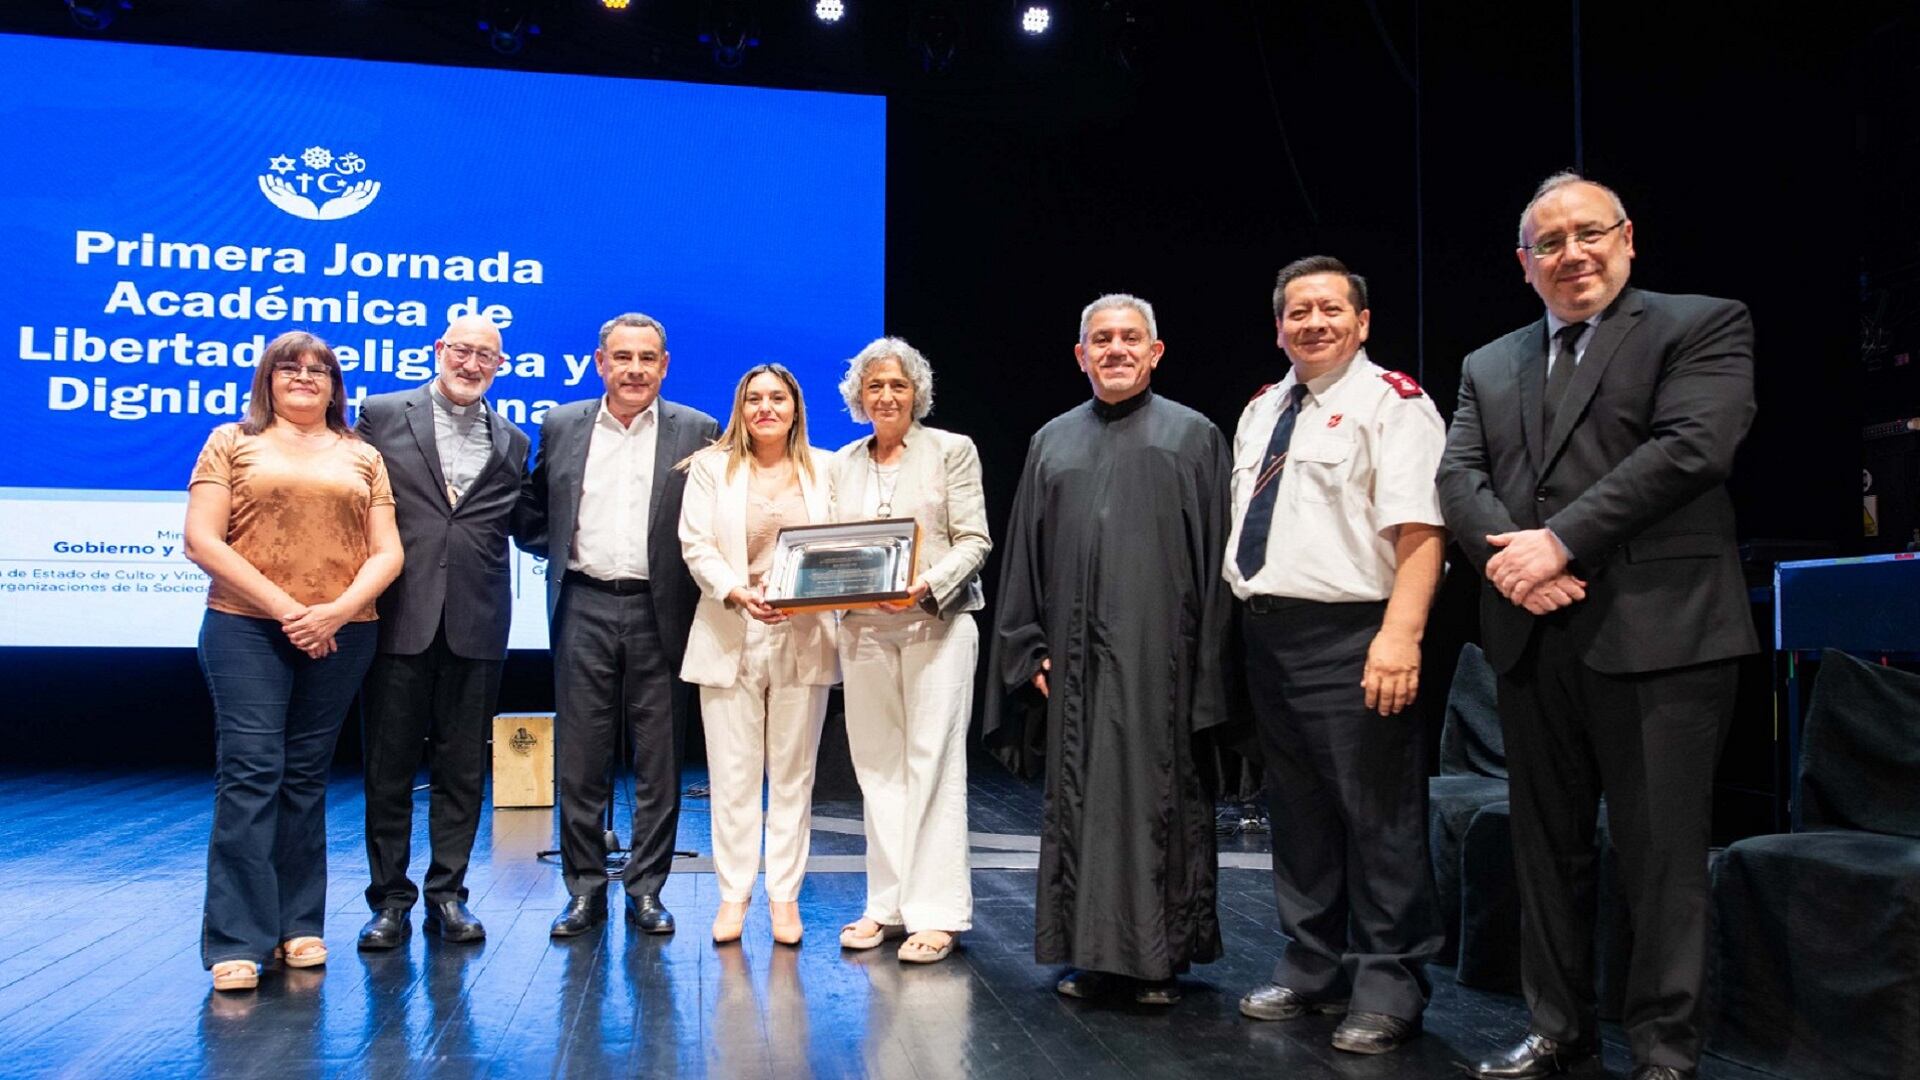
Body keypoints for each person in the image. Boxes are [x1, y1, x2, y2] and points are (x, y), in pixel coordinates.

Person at [1436, 172, 1757, 1080]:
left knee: (1660, 858)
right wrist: (1515, 565)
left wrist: (1558, 545)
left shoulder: (1702, 323)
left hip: (1663, 633)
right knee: (1547, 852)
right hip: (1532, 633)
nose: (1571, 254)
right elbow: (1458, 478)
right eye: (1550, 243)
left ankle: (1663, 1051)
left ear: (1626, 239)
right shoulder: (1488, 363)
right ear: (1524, 263)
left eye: (1589, 234)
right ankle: (1560, 1029)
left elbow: (1694, 446)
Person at [1226, 257, 1448, 1053]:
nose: (1312, 322)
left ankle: (1390, 979)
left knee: (1378, 813)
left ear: (1361, 322)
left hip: (1356, 633)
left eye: (1329, 309)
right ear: (1278, 325)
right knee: (1301, 811)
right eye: (1296, 312)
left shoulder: (1393, 405)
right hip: (1270, 632)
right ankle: (1314, 963)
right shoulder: (1263, 408)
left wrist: (1401, 634)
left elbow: (1421, 530)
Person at [985, 293, 1231, 1005]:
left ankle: (1159, 960)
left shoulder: (1193, 437)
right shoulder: (1052, 441)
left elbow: (1218, 559)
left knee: (1159, 805)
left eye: (1130, 338)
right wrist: (1029, 650)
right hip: (1075, 664)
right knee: (1082, 804)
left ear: (1156, 352)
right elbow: (1025, 558)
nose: (1116, 349)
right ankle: (1087, 954)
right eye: (1101, 339)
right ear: (1080, 354)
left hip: (1165, 664)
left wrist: (1209, 664)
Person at [184, 330, 405, 992]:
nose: (305, 377)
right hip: (246, 628)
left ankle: (297, 926)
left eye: (320, 370)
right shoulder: (232, 441)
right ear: (269, 380)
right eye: (290, 368)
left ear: (336, 386)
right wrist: (291, 610)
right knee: (252, 775)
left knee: (305, 780)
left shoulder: (363, 455)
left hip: (343, 633)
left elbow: (387, 552)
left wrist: (334, 613)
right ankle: (236, 939)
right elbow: (201, 539)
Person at [517, 312, 720, 938]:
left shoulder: (697, 429)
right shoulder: (560, 424)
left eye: (647, 358)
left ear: (664, 365)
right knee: (581, 757)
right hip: (582, 601)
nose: (634, 369)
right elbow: (532, 508)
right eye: (622, 357)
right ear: (600, 362)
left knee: (659, 760)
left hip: (662, 607)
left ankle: (647, 889)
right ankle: (583, 890)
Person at [351, 315, 532, 950]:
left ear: (500, 367)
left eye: (487, 356)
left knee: (462, 770)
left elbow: (518, 521)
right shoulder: (379, 414)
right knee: (389, 767)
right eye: (462, 350)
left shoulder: (512, 440)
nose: (472, 363)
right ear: (438, 350)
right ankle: (389, 901)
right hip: (398, 611)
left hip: (477, 622)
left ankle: (448, 895)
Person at [827, 337, 992, 964]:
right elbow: (830, 547)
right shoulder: (841, 462)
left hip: (936, 623)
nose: (887, 396)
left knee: (933, 763)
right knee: (877, 768)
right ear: (858, 396)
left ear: (916, 393)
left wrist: (925, 586)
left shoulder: (952, 451)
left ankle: (939, 912)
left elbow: (974, 539)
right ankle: (886, 906)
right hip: (864, 629)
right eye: (875, 386)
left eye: (898, 385)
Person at [678, 364, 838, 945]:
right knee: (732, 776)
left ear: (796, 406)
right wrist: (736, 590)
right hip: (730, 629)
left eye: (778, 397)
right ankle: (734, 896)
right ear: (740, 409)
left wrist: (815, 593)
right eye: (754, 399)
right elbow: (695, 544)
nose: (766, 407)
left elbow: (845, 546)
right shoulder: (711, 468)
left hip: (805, 632)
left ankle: (784, 898)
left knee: (794, 778)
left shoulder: (828, 468)